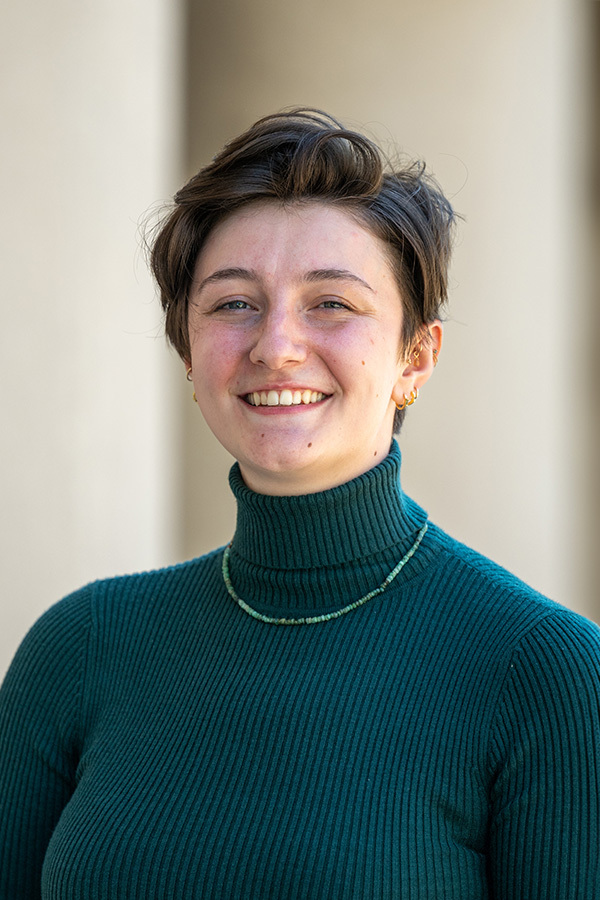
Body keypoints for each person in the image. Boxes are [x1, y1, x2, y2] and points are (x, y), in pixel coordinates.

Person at [0, 109, 598, 899]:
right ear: (187, 349)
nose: (275, 344)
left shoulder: (545, 674)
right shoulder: (78, 649)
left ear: (416, 359)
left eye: (332, 304)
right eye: (233, 303)